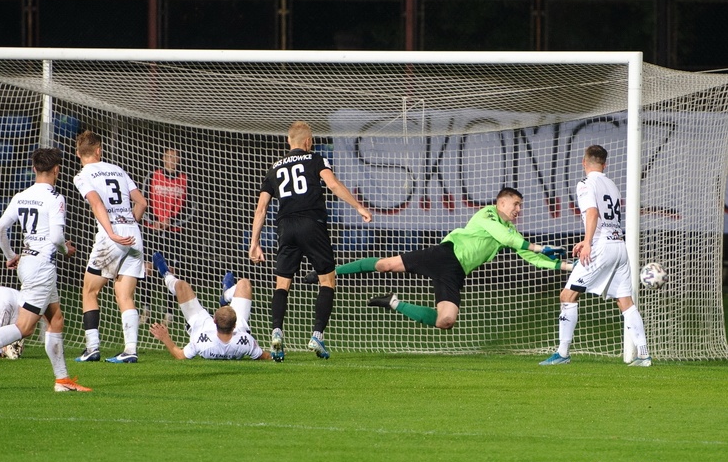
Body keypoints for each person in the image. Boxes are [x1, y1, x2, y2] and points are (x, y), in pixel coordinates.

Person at [314, 187, 571, 331]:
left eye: (520, 206)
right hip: (443, 255)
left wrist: (567, 265)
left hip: (456, 272)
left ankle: (393, 303)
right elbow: (507, 239)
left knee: (445, 321)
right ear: (500, 203)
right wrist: (539, 247)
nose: (518, 210)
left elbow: (531, 256)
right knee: (386, 265)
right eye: (515, 204)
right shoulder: (488, 215)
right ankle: (328, 272)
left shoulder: (512, 231)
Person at [0, 147, 89, 392]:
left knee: (56, 319)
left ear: (34, 169)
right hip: (41, 267)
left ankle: (62, 380)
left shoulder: (21, 196)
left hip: (27, 261)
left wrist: (11, 256)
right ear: (57, 170)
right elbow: (58, 237)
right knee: (25, 327)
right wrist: (65, 250)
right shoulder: (56, 198)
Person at [249, 120, 373, 362]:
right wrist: (358, 206)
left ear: (288, 142)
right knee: (327, 280)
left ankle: (276, 332)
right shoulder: (315, 159)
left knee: (282, 284)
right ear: (308, 142)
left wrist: (254, 242)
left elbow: (261, 208)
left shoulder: (274, 168)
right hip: (312, 224)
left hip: (285, 227)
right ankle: (317, 335)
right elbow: (333, 185)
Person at [540, 145, 651, 366]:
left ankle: (562, 354)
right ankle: (644, 354)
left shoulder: (585, 183)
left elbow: (592, 213)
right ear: (604, 164)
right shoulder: (612, 185)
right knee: (625, 302)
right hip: (619, 247)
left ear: (584, 162)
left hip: (600, 247)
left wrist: (587, 243)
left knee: (567, 296)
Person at [72, 130, 147, 364]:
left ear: (78, 154)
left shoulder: (83, 175)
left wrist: (113, 233)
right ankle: (130, 350)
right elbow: (142, 202)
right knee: (124, 294)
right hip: (134, 235)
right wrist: (129, 224)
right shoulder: (118, 170)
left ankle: (92, 348)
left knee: (90, 291)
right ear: (98, 150)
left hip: (111, 237)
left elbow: (96, 204)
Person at [149, 251, 270, 361]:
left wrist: (165, 338)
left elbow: (180, 355)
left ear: (214, 320)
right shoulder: (245, 341)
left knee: (181, 286)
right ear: (235, 324)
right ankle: (226, 294)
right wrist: (276, 350)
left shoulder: (201, 341)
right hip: (232, 330)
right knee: (244, 284)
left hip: (201, 326)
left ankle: (166, 274)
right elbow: (265, 356)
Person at [141, 147, 195, 322]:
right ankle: (145, 309)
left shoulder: (185, 180)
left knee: (171, 271)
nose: (171, 160)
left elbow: (191, 208)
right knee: (147, 268)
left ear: (178, 160)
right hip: (152, 230)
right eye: (168, 157)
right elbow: (142, 201)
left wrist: (171, 221)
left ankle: (169, 312)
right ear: (163, 159)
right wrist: (155, 221)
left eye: (175, 157)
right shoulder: (152, 177)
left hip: (174, 232)